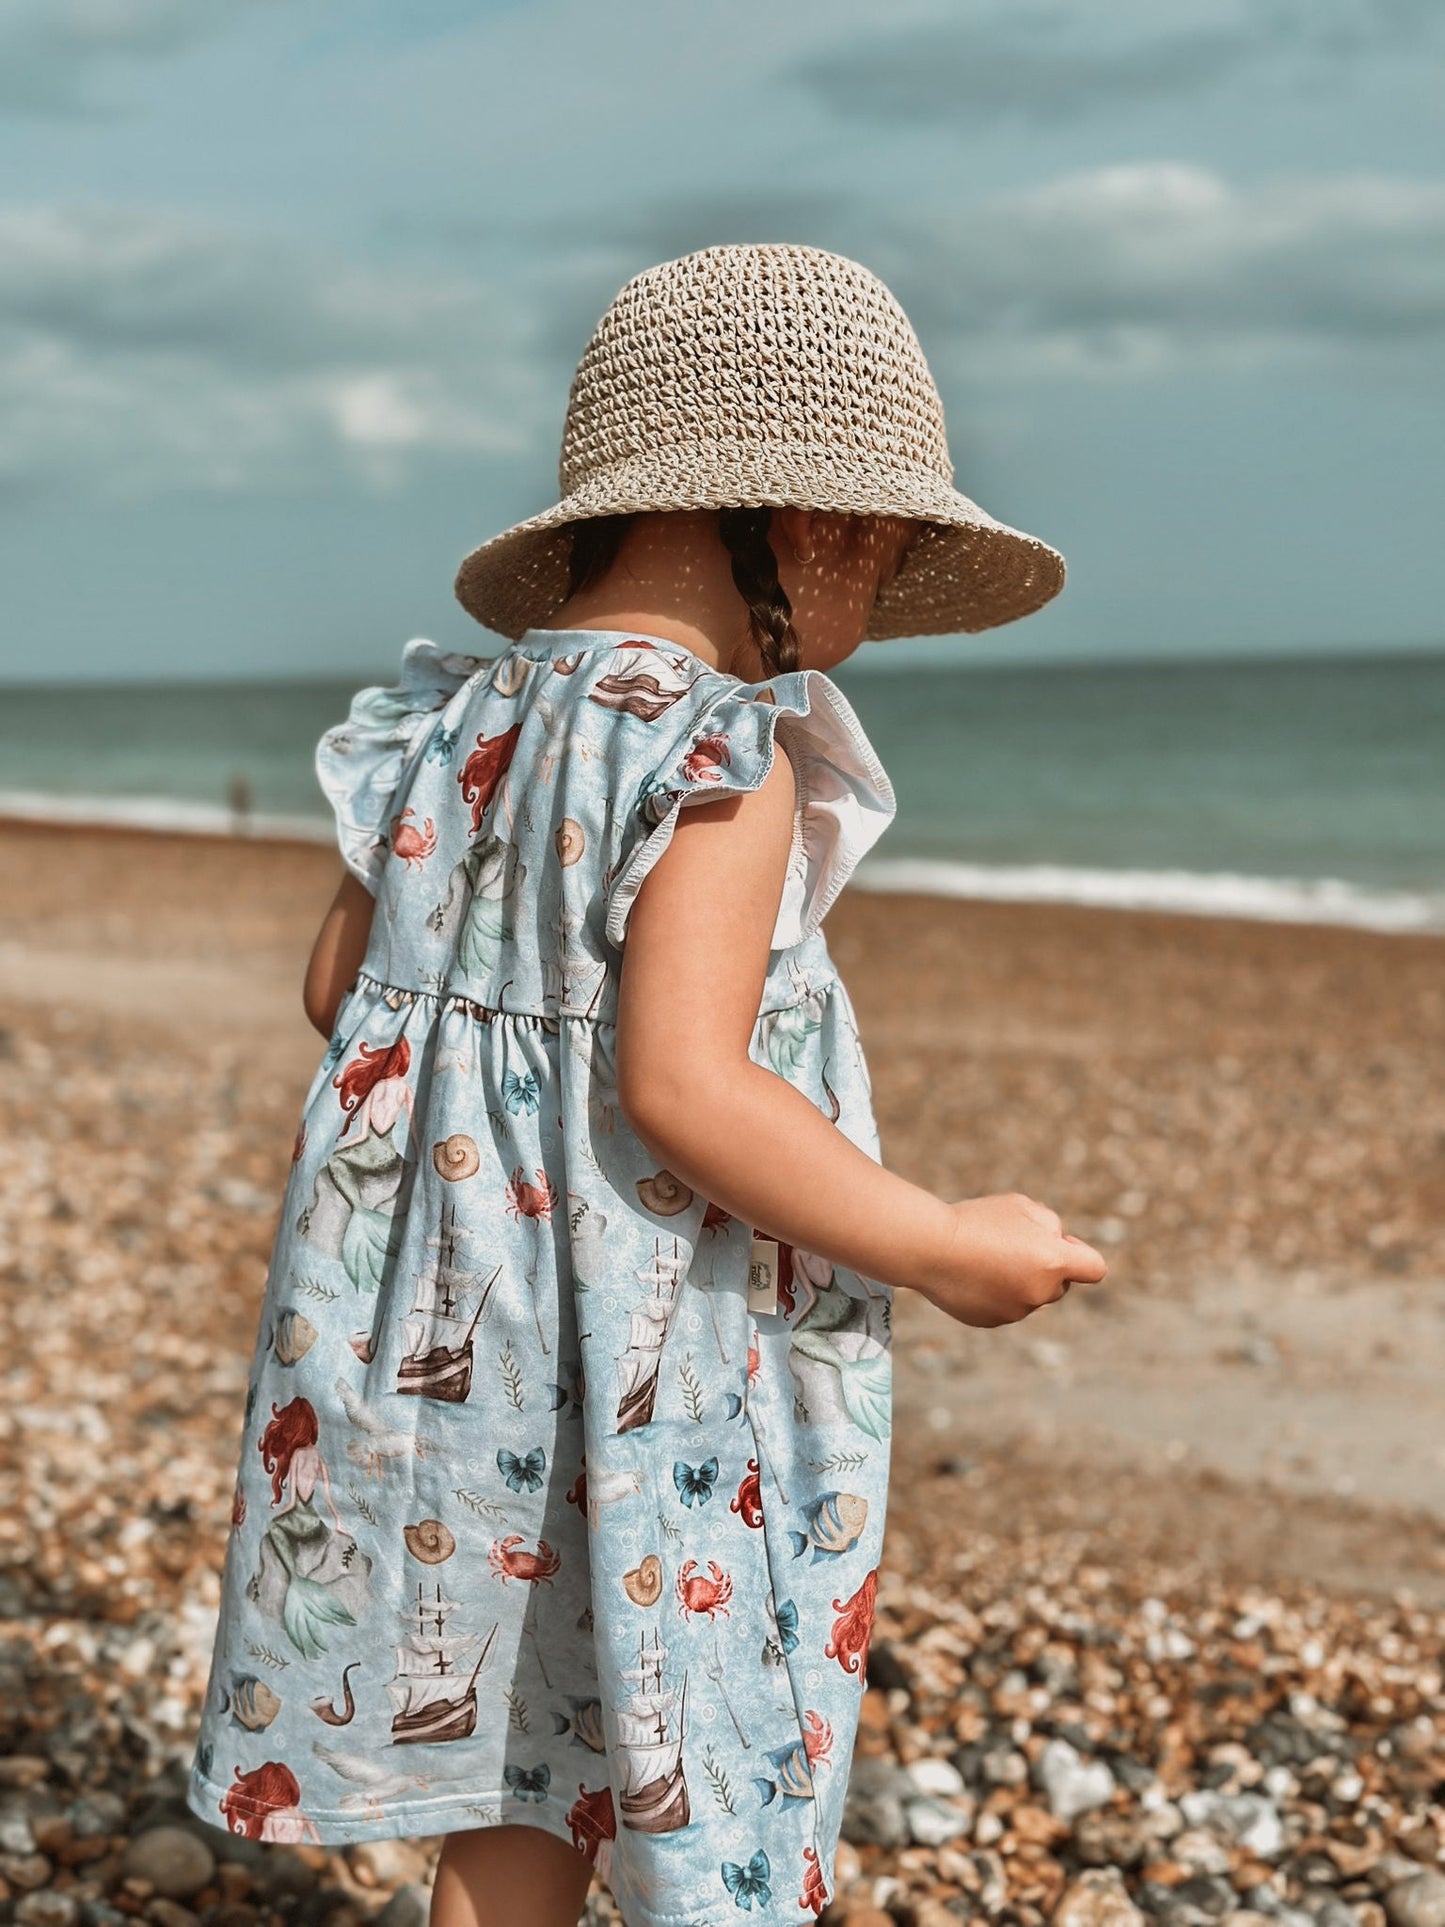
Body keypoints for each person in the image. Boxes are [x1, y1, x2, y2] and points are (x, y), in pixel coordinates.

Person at [185, 244, 1106, 1927]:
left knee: (515, 1769)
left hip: (429, 1354)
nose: (873, 612)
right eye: (885, 557)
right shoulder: (720, 753)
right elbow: (687, 1090)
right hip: (633, 1366)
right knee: (689, 1730)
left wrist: (492, 1116)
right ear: (808, 525)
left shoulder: (441, 727)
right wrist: (937, 1241)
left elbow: (345, 995)